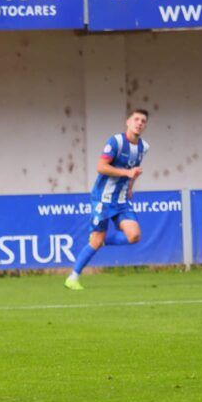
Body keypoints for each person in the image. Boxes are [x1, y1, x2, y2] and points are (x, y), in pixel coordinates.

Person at [65, 110, 150, 291]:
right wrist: (127, 173)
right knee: (95, 239)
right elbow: (101, 167)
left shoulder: (144, 147)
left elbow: (133, 169)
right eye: (136, 119)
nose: (139, 123)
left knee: (134, 235)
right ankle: (73, 277)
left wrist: (131, 186)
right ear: (128, 122)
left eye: (143, 121)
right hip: (102, 199)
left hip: (121, 200)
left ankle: (102, 242)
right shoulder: (116, 142)